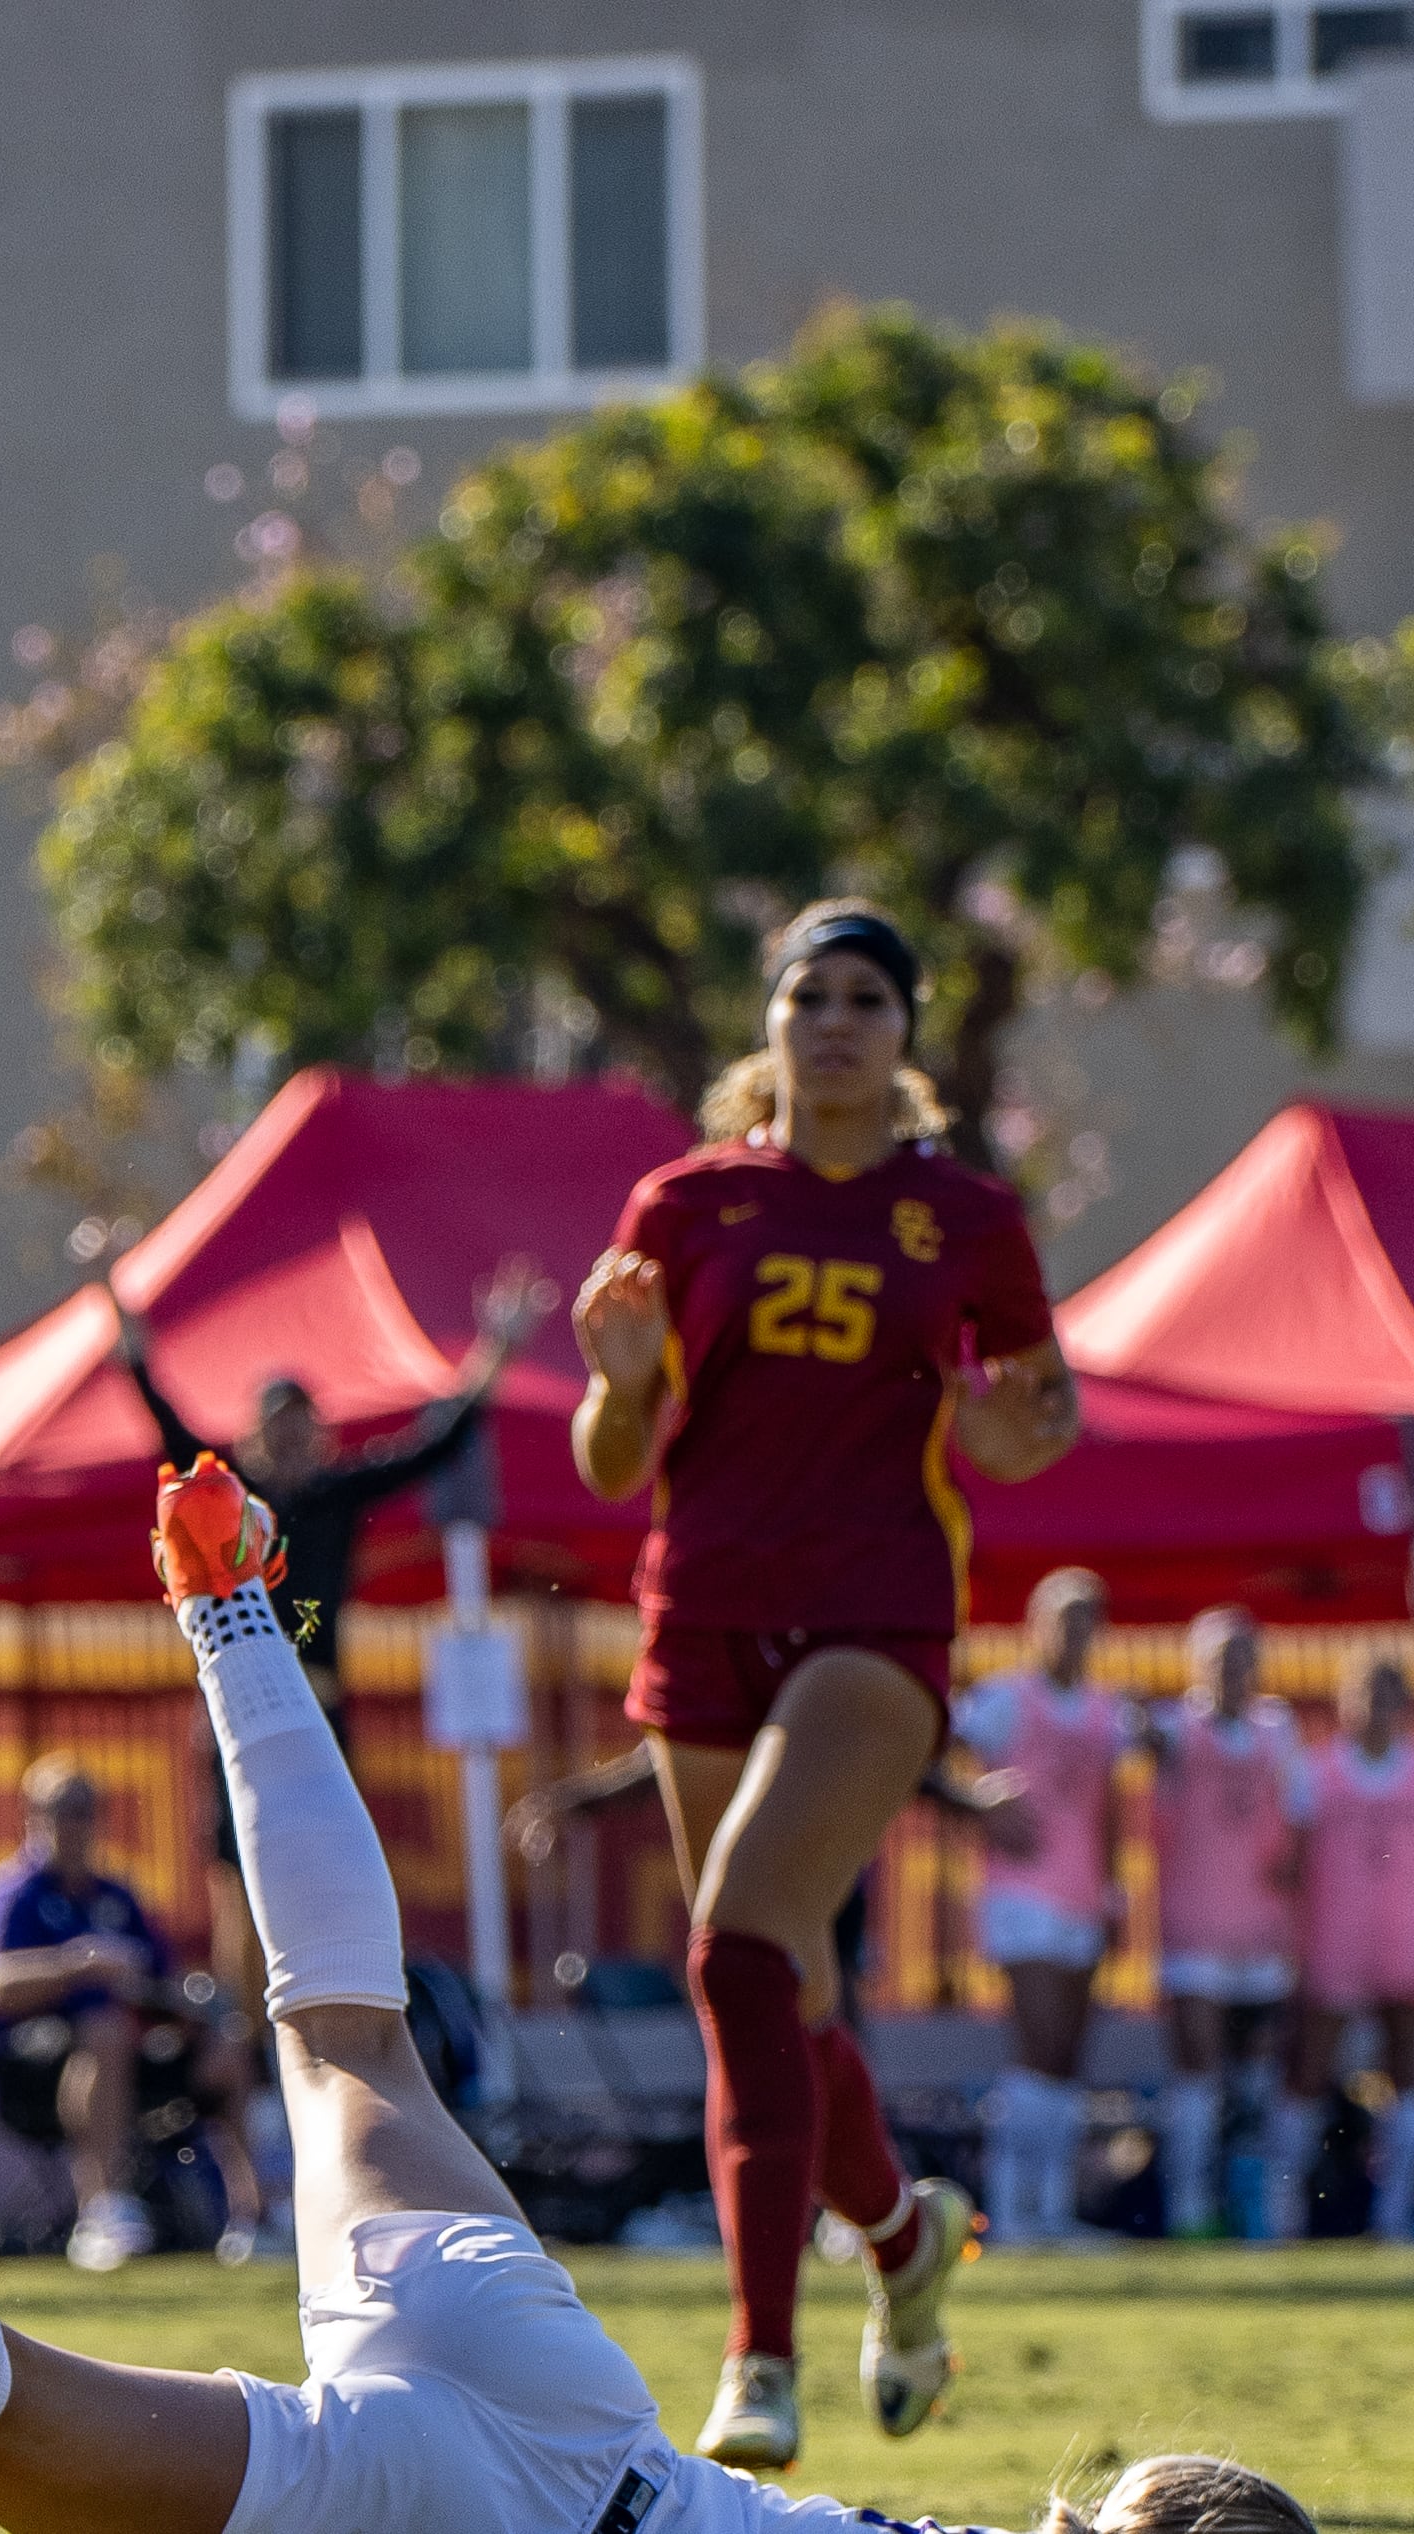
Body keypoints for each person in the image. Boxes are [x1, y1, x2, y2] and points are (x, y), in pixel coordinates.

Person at [0, 1461, 1319, 2534]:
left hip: (564, 2387)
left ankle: (231, 1606)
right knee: (31, 2435)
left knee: (347, 2026)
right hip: (475, 2507)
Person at [564, 899, 1078, 2467]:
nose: (835, 1018)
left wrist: (1015, 1424)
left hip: (877, 1623)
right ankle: (905, 2237)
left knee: (732, 1952)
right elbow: (606, 1466)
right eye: (809, 993)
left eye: (866, 996)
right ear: (768, 1023)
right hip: (701, 1616)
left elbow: (1021, 1429)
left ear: (904, 1034)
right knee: (784, 1992)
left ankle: (759, 2358)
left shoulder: (965, 1216)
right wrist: (615, 1375)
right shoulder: (684, 1198)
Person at [113, 1260, 544, 2091]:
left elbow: (436, 1441)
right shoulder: (228, 1498)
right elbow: (165, 1422)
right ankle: (248, 2050)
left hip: (317, 1709)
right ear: (251, 1435)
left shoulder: (337, 1497)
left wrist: (496, 1348)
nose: (289, 1440)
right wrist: (115, 1307)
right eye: (275, 1425)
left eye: (302, 1425)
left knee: (324, 1872)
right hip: (241, 1716)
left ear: (322, 1434)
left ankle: (328, 2047)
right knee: (238, 1886)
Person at [952, 1569, 1121, 2247]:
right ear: (1037, 1625)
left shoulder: (1106, 1711)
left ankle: (1052, 2208)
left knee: (1068, 2055)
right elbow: (941, 1757)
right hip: (1021, 1894)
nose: (1076, 1633)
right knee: (1038, 2045)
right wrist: (980, 1808)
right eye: (1065, 1618)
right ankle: (1011, 2209)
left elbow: (1109, 1807)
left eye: (1087, 1619)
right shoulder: (1003, 1700)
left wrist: (1112, 1892)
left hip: (1082, 1893)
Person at [0, 1753, 181, 2270]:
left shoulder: (116, 1894)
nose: (76, 1822)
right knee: (102, 2031)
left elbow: (160, 1978)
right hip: (26, 2060)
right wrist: (77, 1965)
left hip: (125, 2048)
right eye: (63, 1808)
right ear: (32, 1814)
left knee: (222, 2041)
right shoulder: (12, 1891)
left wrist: (164, 2000)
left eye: (87, 1809)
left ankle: (251, 2215)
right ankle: (102, 2208)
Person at [1133, 1607, 1305, 2240]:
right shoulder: (1178, 1730)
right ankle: (1190, 2208)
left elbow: (1296, 1818)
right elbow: (1140, 1740)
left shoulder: (1276, 1731)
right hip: (1195, 1926)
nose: (1233, 1671)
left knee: (1256, 2078)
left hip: (1261, 1927)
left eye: (1243, 1658)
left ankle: (1255, 2208)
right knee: (1199, 2070)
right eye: (1221, 1659)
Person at [1288, 1656, 1414, 2243]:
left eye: (1390, 1695)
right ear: (1344, 1702)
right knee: (1307, 2074)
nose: (1378, 1708)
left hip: (1408, 1939)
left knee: (1405, 2073)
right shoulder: (1316, 1772)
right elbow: (1297, 1862)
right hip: (1336, 1940)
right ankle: (1288, 2214)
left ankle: (1396, 2214)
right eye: (1367, 1694)